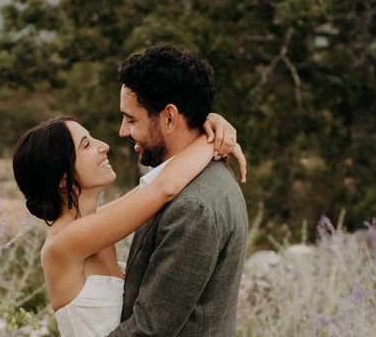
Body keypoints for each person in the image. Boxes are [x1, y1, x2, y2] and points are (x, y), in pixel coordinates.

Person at [13, 114, 244, 337]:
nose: (103, 145)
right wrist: (214, 140)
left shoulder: (97, 224)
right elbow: (164, 188)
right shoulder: (63, 244)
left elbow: (153, 186)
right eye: (86, 145)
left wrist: (211, 121)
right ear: (63, 178)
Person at [107, 43, 248, 336]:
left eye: (131, 119)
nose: (122, 131)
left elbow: (148, 330)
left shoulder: (194, 207)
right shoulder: (190, 181)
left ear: (170, 117)